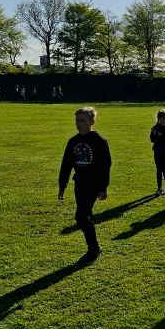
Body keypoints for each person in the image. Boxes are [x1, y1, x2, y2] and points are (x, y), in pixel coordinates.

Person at [58, 106, 112, 264]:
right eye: (77, 121)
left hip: (93, 184)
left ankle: (93, 249)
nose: (78, 124)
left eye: (82, 121)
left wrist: (103, 188)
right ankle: (94, 246)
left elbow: (105, 166)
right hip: (80, 183)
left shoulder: (99, 141)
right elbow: (66, 164)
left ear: (92, 122)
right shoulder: (73, 142)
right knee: (85, 215)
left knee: (80, 216)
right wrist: (62, 185)